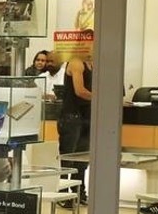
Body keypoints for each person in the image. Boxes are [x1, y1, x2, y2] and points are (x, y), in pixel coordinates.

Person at [57, 54, 93, 207]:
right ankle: (64, 194)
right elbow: (80, 91)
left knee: (83, 159)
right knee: (69, 157)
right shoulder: (76, 62)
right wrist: (104, 97)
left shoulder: (92, 63)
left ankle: (79, 192)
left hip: (87, 116)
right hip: (71, 116)